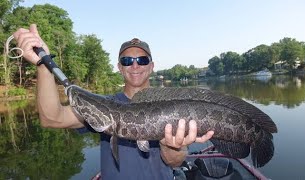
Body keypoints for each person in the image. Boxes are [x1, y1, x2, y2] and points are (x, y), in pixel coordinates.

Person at [13, 24, 214, 180]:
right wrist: (42, 64)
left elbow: (174, 162)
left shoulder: (172, 107)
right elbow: (51, 118)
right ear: (119, 67)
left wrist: (171, 146)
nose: (135, 65)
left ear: (151, 66)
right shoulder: (104, 106)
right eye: (127, 61)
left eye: (142, 60)